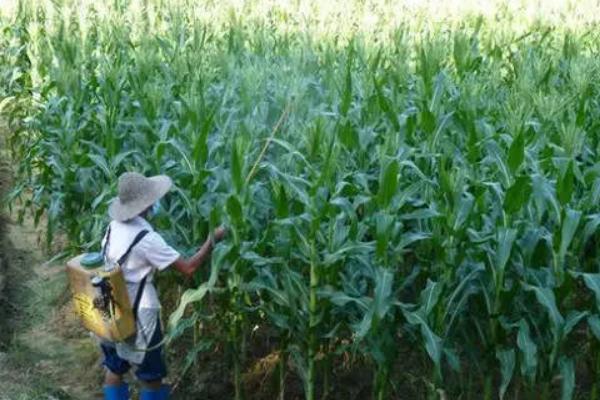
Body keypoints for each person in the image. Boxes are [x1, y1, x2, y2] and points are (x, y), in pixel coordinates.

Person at [100, 172, 225, 400]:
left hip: (109, 304)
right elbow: (188, 269)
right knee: (152, 376)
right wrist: (212, 240)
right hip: (140, 311)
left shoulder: (113, 226)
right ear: (146, 205)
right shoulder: (147, 239)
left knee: (114, 366)